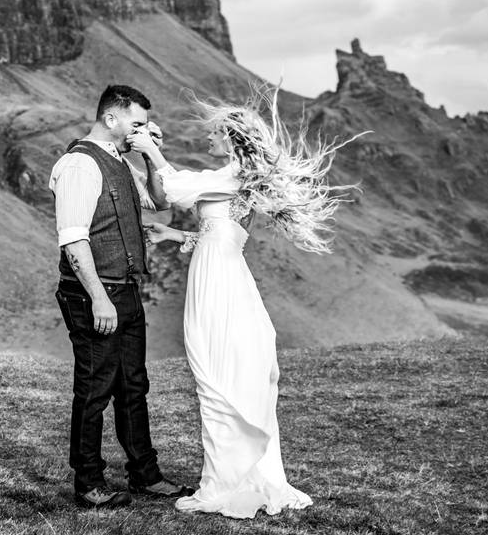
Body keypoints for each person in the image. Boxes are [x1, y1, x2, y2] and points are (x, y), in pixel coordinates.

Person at [127, 86, 367, 519]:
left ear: (233, 139)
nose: (208, 139)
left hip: (220, 280)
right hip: (217, 271)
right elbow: (220, 229)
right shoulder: (234, 177)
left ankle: (225, 483)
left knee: (217, 370)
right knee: (217, 367)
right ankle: (229, 472)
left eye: (215, 134)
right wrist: (176, 235)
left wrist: (151, 153)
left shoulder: (236, 174)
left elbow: (180, 190)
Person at [49, 84, 191, 509]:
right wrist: (98, 297)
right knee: (94, 388)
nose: (142, 130)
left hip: (124, 289)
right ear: (111, 119)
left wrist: (148, 153)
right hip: (94, 293)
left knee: (133, 385)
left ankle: (145, 475)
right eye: (137, 124)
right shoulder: (79, 164)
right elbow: (72, 240)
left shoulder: (121, 162)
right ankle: (88, 483)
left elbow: (160, 203)